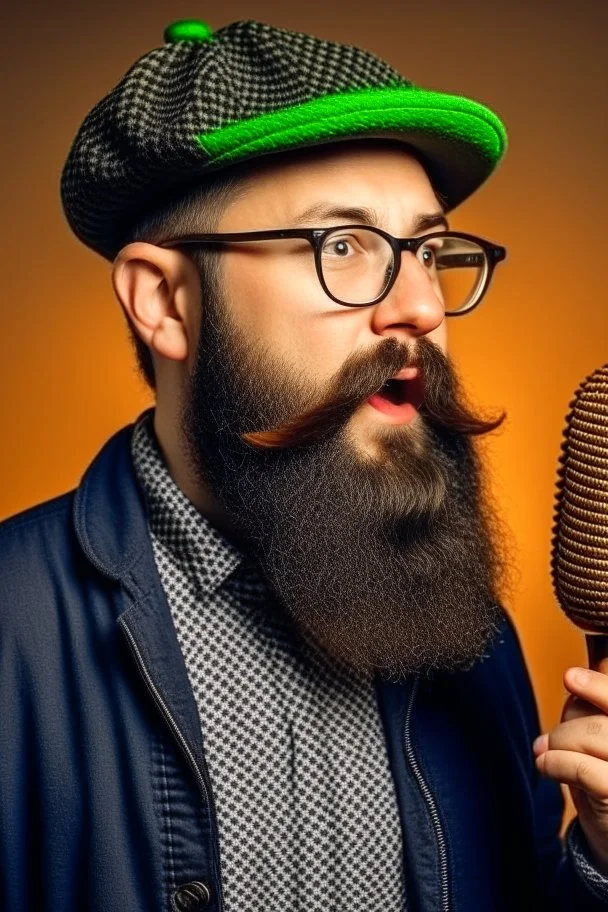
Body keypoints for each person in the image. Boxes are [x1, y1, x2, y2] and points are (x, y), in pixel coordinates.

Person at [2, 16, 608, 912]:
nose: (419, 309)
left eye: (429, 253)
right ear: (164, 301)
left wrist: (600, 859)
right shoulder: (14, 630)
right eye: (343, 247)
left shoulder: (470, 637)